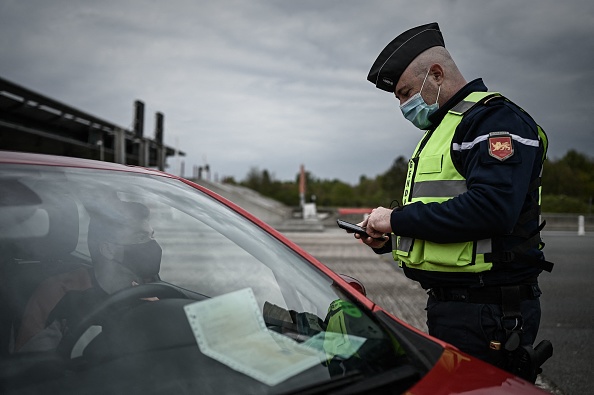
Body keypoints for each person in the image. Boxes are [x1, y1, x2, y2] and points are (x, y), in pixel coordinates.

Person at [357, 22, 553, 380]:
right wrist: (390, 240)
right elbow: (450, 218)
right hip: (457, 307)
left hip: (488, 312)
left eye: (404, 93)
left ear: (435, 74)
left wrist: (395, 220)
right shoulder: (448, 127)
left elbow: (492, 210)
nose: (403, 105)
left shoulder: (493, 121)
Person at [14, 201, 162, 352]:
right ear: (109, 250)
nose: (153, 245)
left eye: (151, 236)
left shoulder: (150, 290)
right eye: (140, 237)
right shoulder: (57, 292)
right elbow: (31, 366)